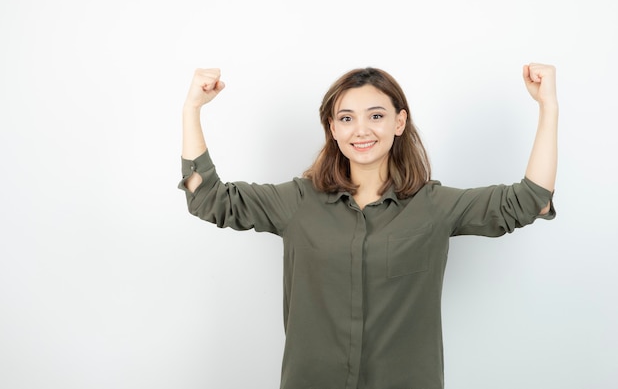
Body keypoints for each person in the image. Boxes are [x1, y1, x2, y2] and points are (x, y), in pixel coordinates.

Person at [178, 65, 558, 389]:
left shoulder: (433, 206)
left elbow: (529, 200)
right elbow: (209, 199)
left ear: (399, 121)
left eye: (376, 116)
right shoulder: (296, 201)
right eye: (347, 118)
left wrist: (548, 107)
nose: (361, 130)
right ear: (332, 127)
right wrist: (192, 109)